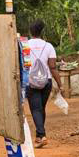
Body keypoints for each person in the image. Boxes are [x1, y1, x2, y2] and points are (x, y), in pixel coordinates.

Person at [26, 20, 64, 148]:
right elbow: (53, 67)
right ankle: (39, 136)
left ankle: (42, 136)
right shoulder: (48, 46)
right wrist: (60, 84)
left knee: (36, 109)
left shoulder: (24, 45)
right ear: (41, 32)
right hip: (46, 81)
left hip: (31, 82)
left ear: (31, 32)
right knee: (40, 108)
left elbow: (20, 64)